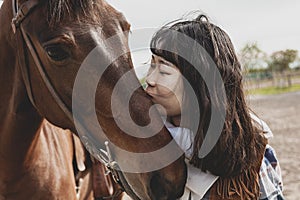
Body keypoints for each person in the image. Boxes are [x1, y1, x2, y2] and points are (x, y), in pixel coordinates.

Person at [144, 14, 284, 200]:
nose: (150, 79)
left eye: (163, 70)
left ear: (200, 83)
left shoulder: (253, 157)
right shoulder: (144, 149)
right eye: (151, 65)